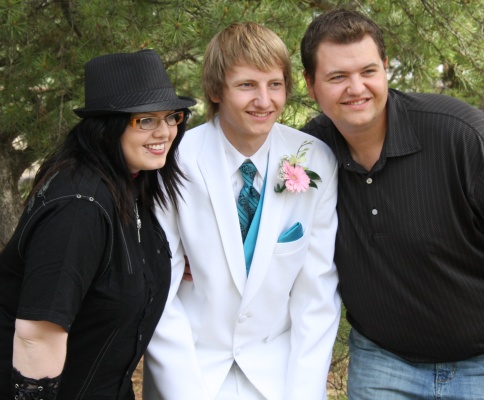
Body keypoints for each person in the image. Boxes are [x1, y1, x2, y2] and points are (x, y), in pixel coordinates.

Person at [300, 8, 484, 400]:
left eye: (368, 71)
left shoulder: (467, 140)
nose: (356, 88)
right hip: (383, 364)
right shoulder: (306, 156)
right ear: (311, 85)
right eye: (337, 77)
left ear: (386, 68)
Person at [143, 22, 340, 400]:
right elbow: (159, 294)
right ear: (216, 90)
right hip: (191, 371)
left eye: (275, 84)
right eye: (247, 85)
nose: (264, 100)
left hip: (278, 375)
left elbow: (316, 297)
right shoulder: (174, 161)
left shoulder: (315, 160)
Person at [0, 49, 196, 399]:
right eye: (145, 120)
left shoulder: (130, 183)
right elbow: (37, 336)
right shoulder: (79, 206)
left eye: (171, 117)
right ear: (106, 126)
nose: (165, 131)